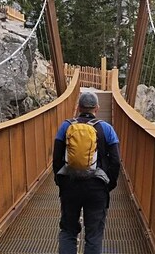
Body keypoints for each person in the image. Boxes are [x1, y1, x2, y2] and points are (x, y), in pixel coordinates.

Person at [53, 91, 121, 254]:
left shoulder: (66, 126)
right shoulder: (107, 129)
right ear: (97, 108)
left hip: (70, 185)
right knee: (94, 235)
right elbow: (116, 161)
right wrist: (108, 184)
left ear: (78, 107)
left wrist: (60, 180)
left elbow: (56, 158)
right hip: (97, 187)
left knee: (68, 231)